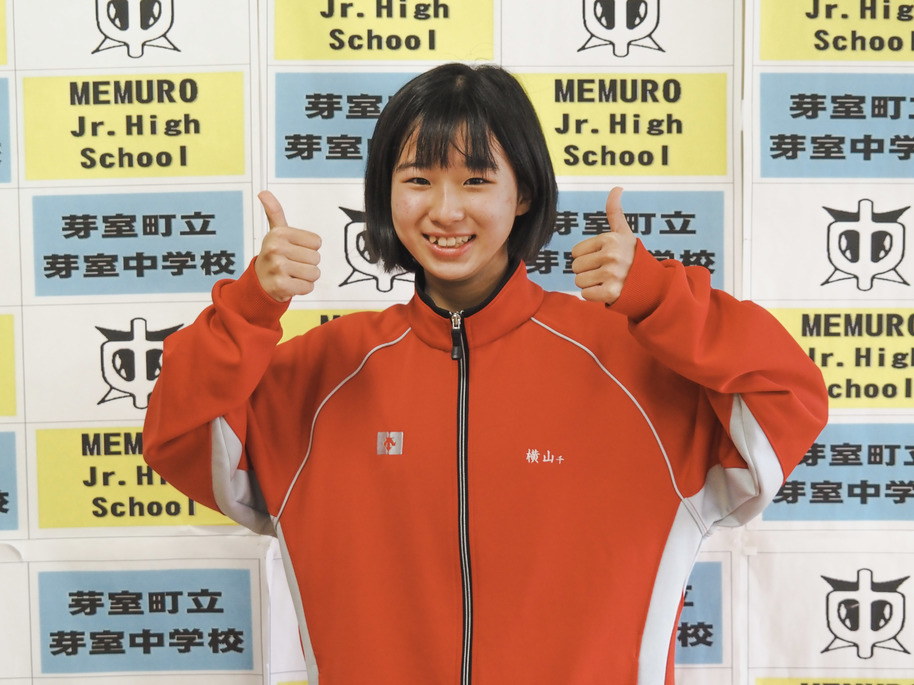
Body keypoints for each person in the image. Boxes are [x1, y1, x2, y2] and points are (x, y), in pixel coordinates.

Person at [143, 62, 828, 684]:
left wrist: (661, 298)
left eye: (476, 180)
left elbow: (788, 395)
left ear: (523, 192)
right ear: (385, 195)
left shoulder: (630, 367)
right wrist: (250, 309)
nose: (446, 209)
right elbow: (179, 435)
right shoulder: (323, 377)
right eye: (418, 180)